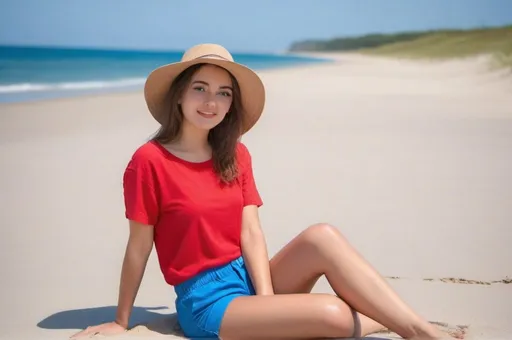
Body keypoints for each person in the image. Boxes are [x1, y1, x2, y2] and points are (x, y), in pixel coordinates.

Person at [70, 43, 445, 340]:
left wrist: (266, 302)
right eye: (200, 89)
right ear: (179, 95)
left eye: (224, 93)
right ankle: (393, 324)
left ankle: (421, 331)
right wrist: (121, 320)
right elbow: (139, 246)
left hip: (249, 276)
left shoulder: (235, 154)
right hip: (206, 303)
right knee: (330, 313)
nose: (211, 102)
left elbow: (251, 232)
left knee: (322, 237)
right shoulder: (149, 161)